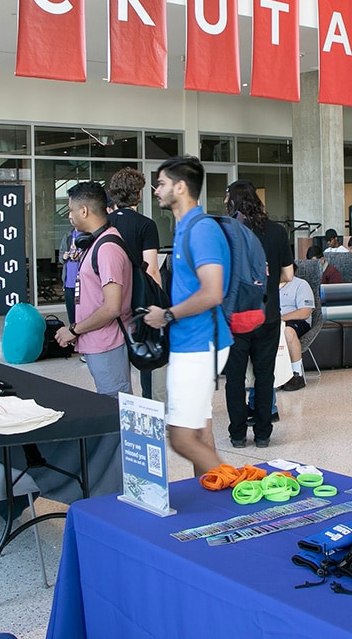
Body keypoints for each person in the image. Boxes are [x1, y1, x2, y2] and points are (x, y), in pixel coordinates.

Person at [142, 156, 231, 476]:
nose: (157, 190)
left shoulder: (201, 230)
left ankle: (235, 492)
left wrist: (166, 315)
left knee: (180, 438)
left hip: (199, 343)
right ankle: (213, 498)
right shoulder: (185, 228)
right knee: (198, 431)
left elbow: (212, 293)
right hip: (191, 341)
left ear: (180, 188)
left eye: (162, 183)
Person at [220, 180, 293, 448]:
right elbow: (288, 274)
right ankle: (263, 434)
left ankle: (238, 434)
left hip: (235, 319)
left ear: (232, 202)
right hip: (268, 315)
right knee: (265, 376)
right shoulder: (276, 231)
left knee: (235, 379)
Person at [54, 183, 134, 396]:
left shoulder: (107, 248)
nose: (69, 216)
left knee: (115, 404)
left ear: (84, 211)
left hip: (107, 343)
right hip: (97, 342)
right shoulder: (95, 243)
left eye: (71, 210)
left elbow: (111, 308)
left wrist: (73, 330)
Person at [107, 166, 165, 400]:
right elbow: (150, 266)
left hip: (111, 297)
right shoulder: (146, 224)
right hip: (139, 298)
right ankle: (151, 405)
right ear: (138, 194)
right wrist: (158, 298)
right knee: (147, 352)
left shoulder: (105, 223)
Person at [278, 273, 314, 392]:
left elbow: (305, 312)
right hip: (273, 322)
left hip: (297, 321)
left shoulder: (301, 285)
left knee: (287, 331)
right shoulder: (267, 284)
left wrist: (281, 318)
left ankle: (296, 374)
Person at [60, 227, 82, 325]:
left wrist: (80, 256)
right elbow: (61, 256)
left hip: (82, 283)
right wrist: (64, 257)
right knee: (71, 315)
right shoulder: (68, 235)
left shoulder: (88, 235)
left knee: (83, 314)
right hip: (69, 282)